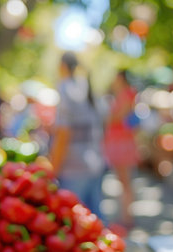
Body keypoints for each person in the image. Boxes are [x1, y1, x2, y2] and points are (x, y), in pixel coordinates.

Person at [49, 52, 105, 221]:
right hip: (94, 163)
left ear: (63, 66)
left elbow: (64, 133)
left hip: (73, 168)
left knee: (74, 221)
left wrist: (54, 168)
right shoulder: (86, 86)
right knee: (95, 220)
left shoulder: (66, 88)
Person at [103, 70, 139, 226]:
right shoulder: (122, 94)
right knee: (123, 181)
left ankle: (127, 217)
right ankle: (125, 215)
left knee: (125, 182)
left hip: (121, 143)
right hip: (118, 141)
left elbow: (119, 116)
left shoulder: (126, 94)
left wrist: (106, 118)